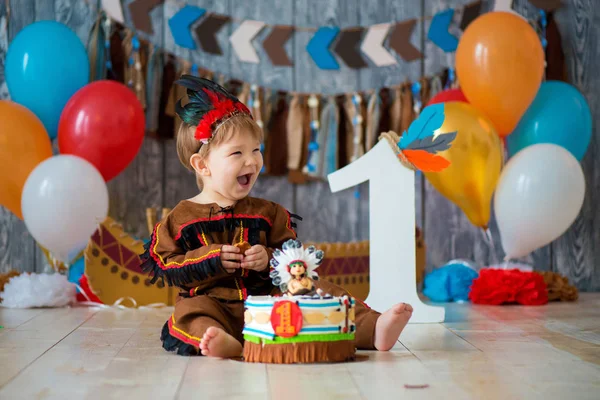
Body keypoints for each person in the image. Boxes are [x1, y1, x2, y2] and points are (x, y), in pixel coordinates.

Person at [140, 76, 413, 358]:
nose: (252, 161)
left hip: (266, 303)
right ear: (202, 164)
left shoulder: (267, 213)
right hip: (211, 301)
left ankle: (373, 328)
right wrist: (211, 257)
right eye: (237, 153)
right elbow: (165, 263)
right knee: (190, 312)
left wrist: (268, 258)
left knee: (312, 287)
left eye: (256, 150)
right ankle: (222, 341)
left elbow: (294, 257)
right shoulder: (181, 217)